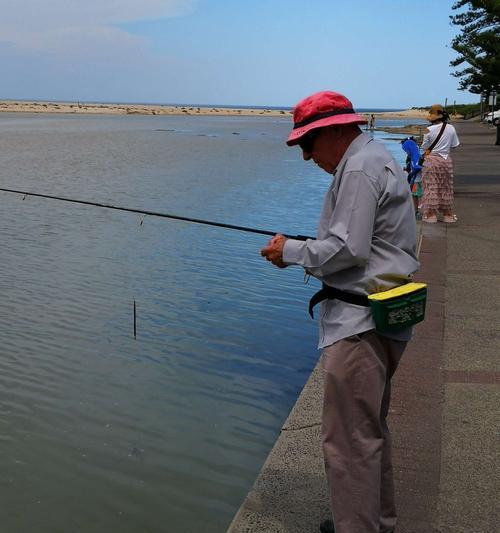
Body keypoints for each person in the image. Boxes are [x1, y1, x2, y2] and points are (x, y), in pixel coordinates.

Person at [260, 90, 419, 533]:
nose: (306, 156)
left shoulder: (359, 167)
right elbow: (360, 242)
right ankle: (375, 523)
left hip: (359, 324)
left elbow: (348, 248)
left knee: (349, 442)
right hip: (379, 314)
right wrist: (303, 248)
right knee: (368, 435)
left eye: (307, 145)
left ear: (333, 131)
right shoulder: (374, 156)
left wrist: (289, 251)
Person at [420, 104, 460, 223]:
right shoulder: (451, 128)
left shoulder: (428, 130)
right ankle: (447, 215)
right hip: (446, 161)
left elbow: (425, 147)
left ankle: (431, 215)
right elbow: (454, 145)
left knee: (431, 187)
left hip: (431, 161)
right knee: (446, 187)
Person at [401, 136, 423, 218]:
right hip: (416, 180)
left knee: (415, 195)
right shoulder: (414, 155)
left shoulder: (415, 157)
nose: (406, 153)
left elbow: (417, 167)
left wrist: (411, 173)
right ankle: (415, 210)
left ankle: (416, 211)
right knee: (415, 195)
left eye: (406, 151)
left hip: (417, 180)